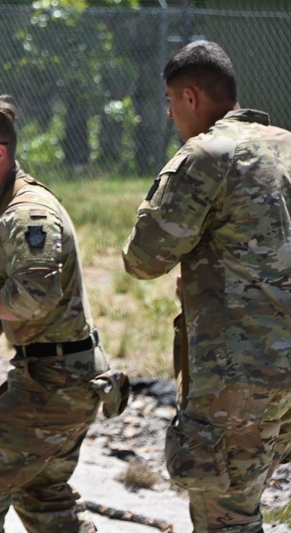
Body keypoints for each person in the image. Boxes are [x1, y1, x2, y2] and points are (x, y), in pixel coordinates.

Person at [122, 40, 291, 533]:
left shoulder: (207, 154)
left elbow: (144, 259)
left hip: (238, 370)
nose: (172, 116)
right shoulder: (286, 144)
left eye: (172, 105)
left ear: (191, 97)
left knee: (225, 519)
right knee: (247, 503)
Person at [0, 95, 126, 533]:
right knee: (43, 498)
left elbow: (31, 298)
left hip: (56, 382)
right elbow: (0, 317)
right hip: (54, 376)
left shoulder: (26, 215)